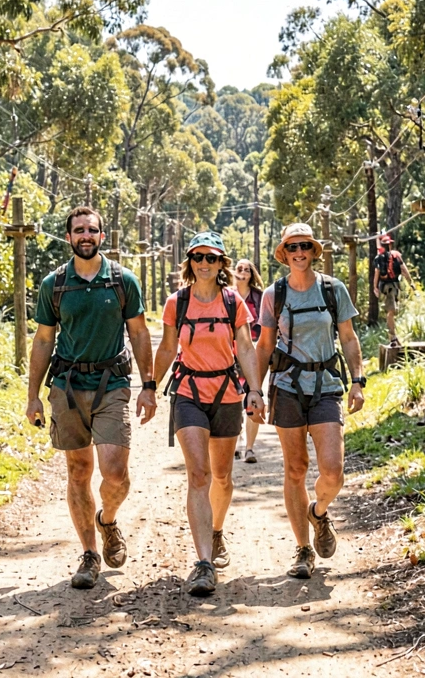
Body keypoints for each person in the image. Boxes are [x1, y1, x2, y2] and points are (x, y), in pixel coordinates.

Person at [26, 206, 157, 590]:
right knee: (78, 471)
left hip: (111, 385)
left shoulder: (122, 280)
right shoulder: (54, 284)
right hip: (66, 387)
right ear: (69, 237)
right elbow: (43, 340)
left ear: (102, 235)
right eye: (79, 230)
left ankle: (107, 520)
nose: (86, 235)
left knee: (115, 473)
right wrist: (33, 396)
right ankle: (89, 554)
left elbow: (139, 333)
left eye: (92, 230)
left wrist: (149, 386)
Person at [153, 233, 265, 596]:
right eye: (198, 257)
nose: (204, 263)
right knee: (198, 475)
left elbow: (245, 347)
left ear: (221, 264)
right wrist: (149, 386)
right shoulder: (177, 302)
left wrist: (255, 390)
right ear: (190, 262)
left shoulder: (233, 302)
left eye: (211, 258)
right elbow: (167, 347)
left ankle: (216, 532)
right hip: (188, 393)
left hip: (227, 395)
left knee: (222, 477)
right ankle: (203, 564)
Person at [257, 222, 365, 580]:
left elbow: (348, 337)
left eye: (304, 246)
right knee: (295, 469)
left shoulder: (333, 290)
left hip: (327, 385)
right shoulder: (274, 294)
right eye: (292, 247)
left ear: (313, 250)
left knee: (333, 471)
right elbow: (264, 345)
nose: (299, 252)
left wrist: (358, 381)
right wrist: (254, 390)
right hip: (287, 387)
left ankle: (318, 512)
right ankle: (303, 549)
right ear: (284, 253)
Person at [231, 259, 265, 463]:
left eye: (247, 270)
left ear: (252, 274)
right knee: (233, 399)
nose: (243, 272)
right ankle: (236, 442)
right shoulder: (226, 294)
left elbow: (266, 326)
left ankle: (250, 448)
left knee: (253, 399)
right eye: (239, 269)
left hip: (252, 353)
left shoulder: (259, 297)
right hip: (229, 355)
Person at [372, 234, 416, 346]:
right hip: (388, 287)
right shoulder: (383, 258)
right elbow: (378, 272)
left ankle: (393, 337)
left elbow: (403, 269)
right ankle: (393, 338)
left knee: (393, 311)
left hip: (393, 286)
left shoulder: (393, 256)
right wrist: (375, 287)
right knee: (391, 311)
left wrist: (410, 282)